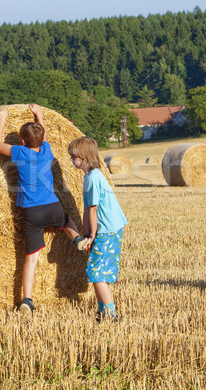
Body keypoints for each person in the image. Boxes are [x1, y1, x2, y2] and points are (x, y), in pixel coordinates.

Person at [0, 104, 88, 314]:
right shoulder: (46, 150)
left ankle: (27, 299)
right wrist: (40, 115)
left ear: (22, 142)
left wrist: (2, 119)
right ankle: (77, 238)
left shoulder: (20, 152)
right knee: (65, 221)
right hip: (51, 205)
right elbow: (42, 135)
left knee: (31, 258)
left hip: (30, 212)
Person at [68, 136, 128, 321]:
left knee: (96, 274)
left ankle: (111, 314)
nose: (71, 160)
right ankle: (103, 312)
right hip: (105, 228)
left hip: (107, 229)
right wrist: (86, 234)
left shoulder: (93, 178)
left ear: (84, 157)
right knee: (97, 272)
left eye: (73, 157)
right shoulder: (90, 177)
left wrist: (92, 235)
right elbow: (87, 210)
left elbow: (93, 210)